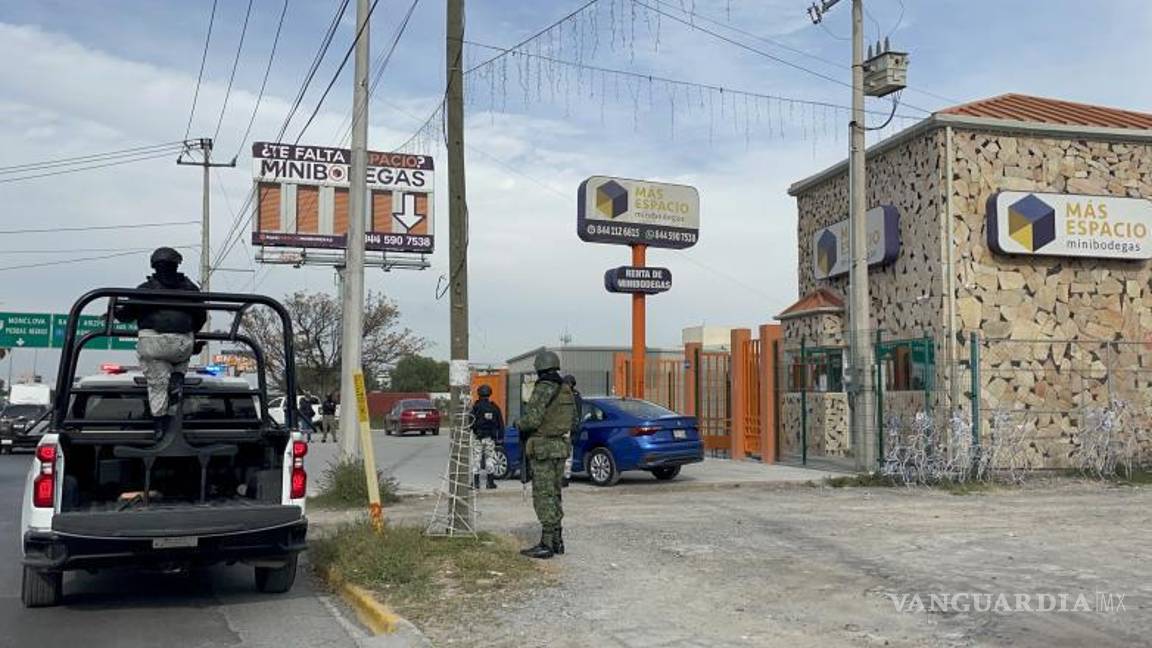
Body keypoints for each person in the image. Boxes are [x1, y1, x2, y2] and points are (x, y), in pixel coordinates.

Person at [114, 247, 205, 439]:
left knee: (157, 385)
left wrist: (113, 311)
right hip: (183, 345)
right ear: (177, 265)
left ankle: (159, 428)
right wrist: (190, 336)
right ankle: (179, 374)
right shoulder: (191, 288)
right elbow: (201, 317)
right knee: (183, 352)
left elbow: (125, 315)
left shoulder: (145, 289)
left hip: (154, 346)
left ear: (154, 266)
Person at [517, 351, 578, 559]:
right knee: (555, 494)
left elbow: (532, 420)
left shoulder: (543, 388)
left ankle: (546, 543)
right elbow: (575, 422)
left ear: (539, 368)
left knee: (543, 496)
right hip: (560, 447)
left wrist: (518, 424)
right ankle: (558, 540)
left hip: (543, 448)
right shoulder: (566, 389)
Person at [470, 384, 504, 490]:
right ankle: (490, 483)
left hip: (478, 438)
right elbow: (501, 424)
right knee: (490, 459)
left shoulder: (476, 407)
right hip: (490, 438)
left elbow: (470, 422)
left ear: (479, 394)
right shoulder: (494, 407)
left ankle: (476, 484)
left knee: (476, 459)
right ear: (489, 394)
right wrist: (500, 438)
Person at [561, 374, 583, 488]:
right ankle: (565, 476)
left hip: (567, 428)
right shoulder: (576, 395)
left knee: (566, 455)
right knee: (567, 454)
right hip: (568, 428)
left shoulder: (572, 396)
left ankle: (565, 477)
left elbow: (575, 415)